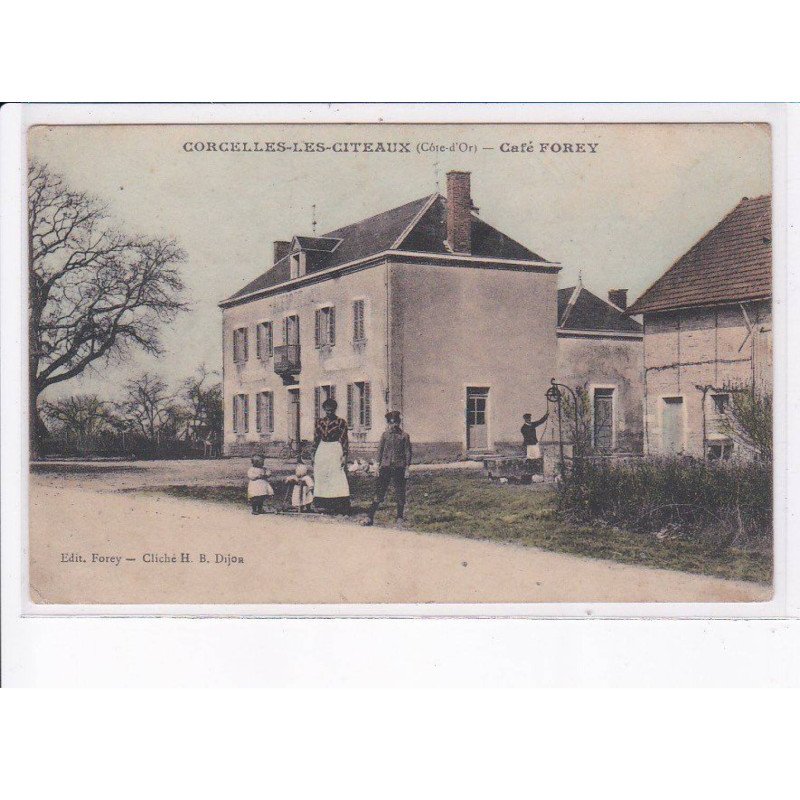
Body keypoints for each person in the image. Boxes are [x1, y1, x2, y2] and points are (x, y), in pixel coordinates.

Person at [365, 411, 413, 526]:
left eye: (396, 422)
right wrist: (377, 467)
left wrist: (407, 468)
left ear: (399, 422)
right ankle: (369, 517)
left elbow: (408, 452)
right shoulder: (385, 435)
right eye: (391, 423)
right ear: (388, 423)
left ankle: (399, 518)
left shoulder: (404, 436)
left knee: (400, 492)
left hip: (399, 467)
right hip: (385, 467)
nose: (394, 425)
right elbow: (380, 451)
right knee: (379, 492)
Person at [312, 397, 351, 514]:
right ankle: (322, 503)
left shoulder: (341, 422)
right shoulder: (319, 422)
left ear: (335, 409)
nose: (329, 412)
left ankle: (339, 504)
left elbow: (344, 439)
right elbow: (316, 438)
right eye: (327, 410)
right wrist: (313, 453)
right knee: (322, 475)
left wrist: (344, 455)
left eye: (331, 410)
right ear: (324, 409)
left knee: (336, 475)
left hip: (335, 448)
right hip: (322, 449)